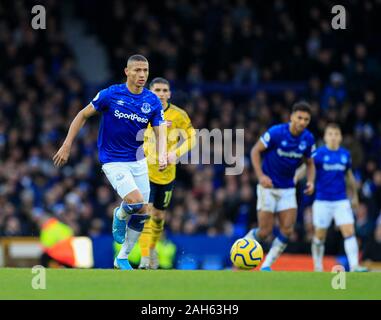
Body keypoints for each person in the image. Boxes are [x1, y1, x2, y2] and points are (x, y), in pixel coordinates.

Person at [53, 55, 167, 270]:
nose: (142, 75)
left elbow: (161, 130)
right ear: (127, 71)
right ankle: (120, 213)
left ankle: (122, 258)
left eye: (145, 70)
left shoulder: (151, 100)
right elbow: (82, 115)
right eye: (137, 70)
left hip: (138, 161)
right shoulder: (111, 94)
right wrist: (67, 144)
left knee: (143, 212)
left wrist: (162, 154)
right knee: (134, 203)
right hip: (113, 160)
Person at [245, 101, 316, 271]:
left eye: (306, 119)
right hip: (268, 188)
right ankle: (243, 246)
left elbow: (310, 163)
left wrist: (311, 181)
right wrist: (261, 176)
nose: (302, 122)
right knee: (264, 232)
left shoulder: (308, 139)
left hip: (288, 189)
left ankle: (267, 265)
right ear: (292, 117)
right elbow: (255, 151)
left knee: (287, 229)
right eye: (299, 118)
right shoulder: (276, 132)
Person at [138, 77, 196, 269]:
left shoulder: (179, 115)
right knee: (145, 213)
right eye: (157, 90)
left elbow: (192, 138)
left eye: (164, 90)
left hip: (167, 175)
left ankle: (152, 249)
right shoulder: (142, 110)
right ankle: (145, 259)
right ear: (150, 92)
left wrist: (175, 154)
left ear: (169, 94)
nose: (161, 94)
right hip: (146, 172)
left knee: (158, 217)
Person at [310, 123, 367, 272]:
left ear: (340, 137)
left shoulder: (345, 155)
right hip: (322, 200)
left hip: (341, 200)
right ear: (325, 137)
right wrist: (297, 178)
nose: (333, 137)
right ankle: (317, 266)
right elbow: (307, 168)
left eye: (336, 134)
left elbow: (349, 176)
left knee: (349, 231)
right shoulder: (319, 154)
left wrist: (354, 196)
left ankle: (354, 265)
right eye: (330, 134)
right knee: (319, 235)